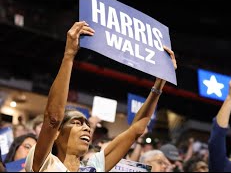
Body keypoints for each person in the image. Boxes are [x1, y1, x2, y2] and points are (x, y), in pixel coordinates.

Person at [24, 21, 177, 172]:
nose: (86, 128)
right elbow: (53, 118)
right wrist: (69, 55)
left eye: (86, 125)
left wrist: (159, 83)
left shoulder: (94, 168)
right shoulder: (44, 162)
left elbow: (137, 129)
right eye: (77, 123)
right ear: (57, 133)